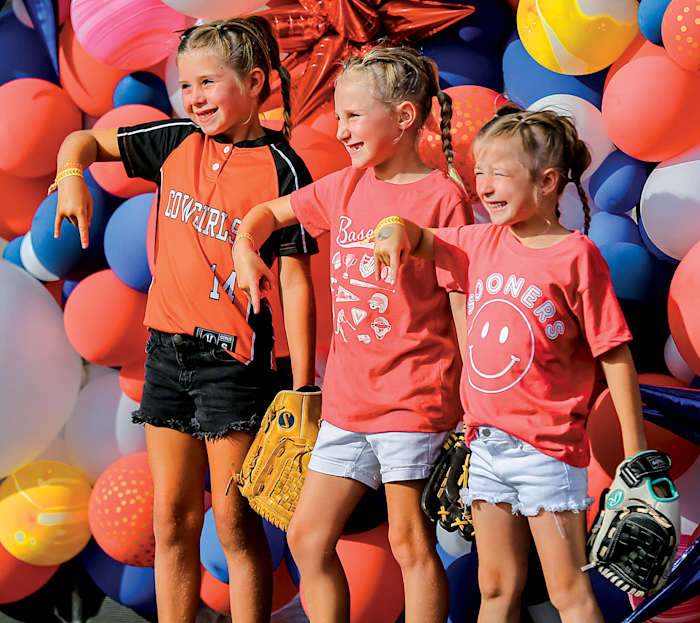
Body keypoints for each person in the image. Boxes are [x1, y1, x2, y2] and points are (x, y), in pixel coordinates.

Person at [52, 18, 318, 623]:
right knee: (171, 517)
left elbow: (298, 283)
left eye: (208, 82)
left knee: (234, 524)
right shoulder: (176, 141)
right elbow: (85, 143)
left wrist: (303, 387)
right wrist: (72, 181)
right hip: (166, 354)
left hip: (238, 365)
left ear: (254, 83)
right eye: (185, 83)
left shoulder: (285, 169)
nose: (194, 96)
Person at [371, 106, 652, 623]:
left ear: (547, 182)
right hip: (486, 446)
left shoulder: (575, 255)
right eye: (479, 173)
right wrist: (392, 230)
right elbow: (413, 232)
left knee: (568, 592)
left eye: (499, 174)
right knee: (495, 589)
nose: (485, 187)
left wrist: (634, 458)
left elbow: (614, 353)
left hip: (547, 451)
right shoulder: (478, 243)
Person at [232, 46, 473, 623]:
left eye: (354, 117)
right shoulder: (345, 186)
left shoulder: (443, 197)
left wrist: (474, 397)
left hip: (413, 401)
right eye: (338, 117)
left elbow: (462, 298)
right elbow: (267, 213)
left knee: (411, 545)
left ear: (406, 118)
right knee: (308, 539)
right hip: (345, 404)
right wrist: (245, 245)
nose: (340, 130)